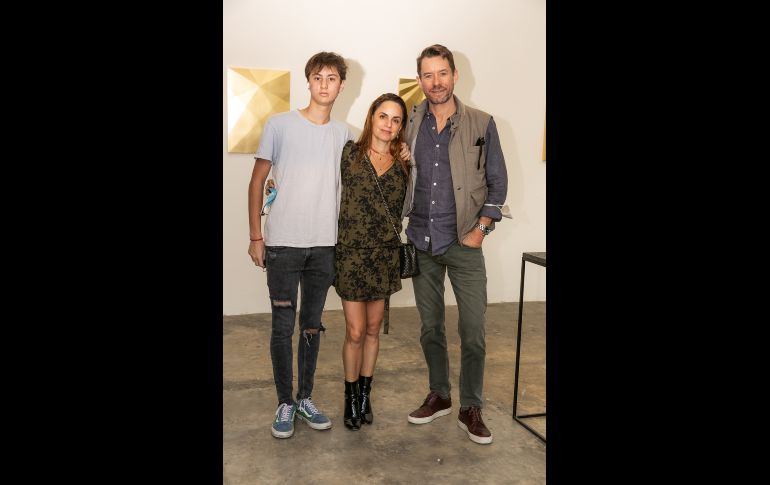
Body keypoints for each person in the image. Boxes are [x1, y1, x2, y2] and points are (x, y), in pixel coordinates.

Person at [402, 44, 508, 445]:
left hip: (465, 241)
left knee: (473, 329)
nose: (436, 82)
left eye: (442, 73)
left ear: (455, 75)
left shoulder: (482, 123)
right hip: (422, 241)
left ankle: (471, 405)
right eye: (427, 75)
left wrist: (481, 229)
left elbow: (498, 183)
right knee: (430, 327)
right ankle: (441, 395)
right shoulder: (410, 121)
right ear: (420, 80)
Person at [248, 51, 352, 439]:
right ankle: (284, 402)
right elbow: (257, 181)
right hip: (282, 246)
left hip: (325, 246)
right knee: (281, 326)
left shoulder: (344, 135)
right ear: (308, 82)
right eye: (317, 77)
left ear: (342, 85)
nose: (324, 84)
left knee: (311, 325)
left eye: (332, 78)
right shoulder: (279, 125)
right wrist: (256, 236)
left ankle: (305, 398)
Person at [334, 93, 409, 430]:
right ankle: (349, 397)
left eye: (396, 120)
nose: (388, 125)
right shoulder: (349, 153)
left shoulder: (405, 162)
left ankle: (366, 395)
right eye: (383, 117)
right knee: (355, 331)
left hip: (383, 256)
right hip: (351, 254)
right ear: (371, 118)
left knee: (374, 329)